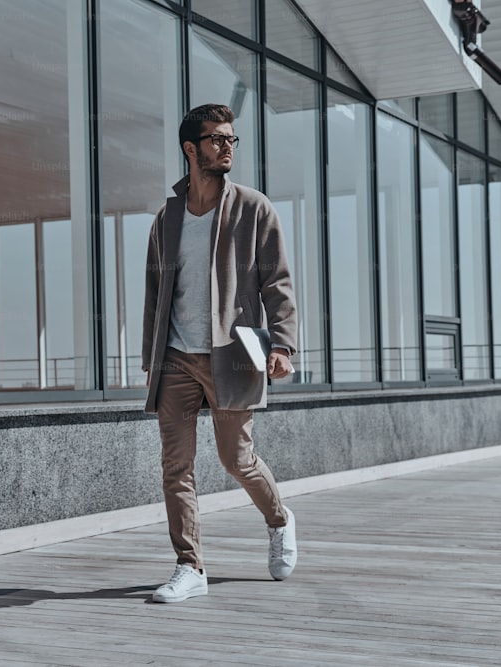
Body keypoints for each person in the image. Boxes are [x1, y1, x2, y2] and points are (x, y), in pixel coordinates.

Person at [141, 104, 299, 603]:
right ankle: (190, 566)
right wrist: (151, 353)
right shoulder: (167, 218)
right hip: (176, 359)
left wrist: (283, 344)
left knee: (237, 459)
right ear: (191, 149)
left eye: (232, 139)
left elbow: (277, 282)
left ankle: (279, 519)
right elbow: (154, 288)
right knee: (176, 466)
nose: (227, 146)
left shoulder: (254, 208)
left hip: (233, 353)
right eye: (216, 139)